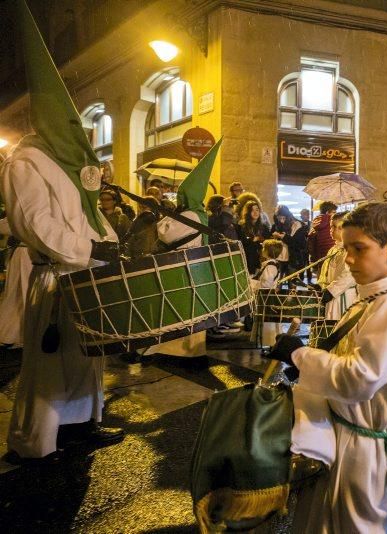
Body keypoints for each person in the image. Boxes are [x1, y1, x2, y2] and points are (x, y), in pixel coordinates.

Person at [266, 202, 387, 533]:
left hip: (362, 452)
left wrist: (300, 356)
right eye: (346, 249)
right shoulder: (376, 297)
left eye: (358, 249)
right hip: (348, 436)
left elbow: (360, 378)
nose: (348, 259)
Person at [1, 0, 125, 462]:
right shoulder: (27, 161)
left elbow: (93, 213)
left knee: (87, 360)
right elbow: (34, 223)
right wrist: (88, 247)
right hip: (56, 277)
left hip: (86, 274)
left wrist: (109, 244)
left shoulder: (73, 167)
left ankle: (79, 427)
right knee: (50, 366)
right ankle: (35, 442)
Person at [143, 141, 223, 358]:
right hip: (194, 268)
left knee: (181, 310)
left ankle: (177, 352)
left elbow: (165, 233)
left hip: (183, 268)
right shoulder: (197, 213)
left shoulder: (189, 215)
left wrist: (168, 216)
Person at [314, 211, 356, 320]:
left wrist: (331, 291)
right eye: (331, 226)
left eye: (335, 227)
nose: (331, 230)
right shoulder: (334, 249)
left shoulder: (350, 249)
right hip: (332, 295)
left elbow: (349, 275)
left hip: (342, 296)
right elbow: (326, 271)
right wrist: (320, 284)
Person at [0, 223, 32, 348]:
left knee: (17, 295)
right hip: (26, 253)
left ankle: (10, 334)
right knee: (23, 294)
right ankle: (22, 334)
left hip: (23, 252)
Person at [252, 239, 283, 352]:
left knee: (268, 323)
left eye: (263, 248)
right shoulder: (272, 264)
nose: (262, 250)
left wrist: (256, 285)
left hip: (267, 297)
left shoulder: (270, 266)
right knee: (268, 322)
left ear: (268, 251)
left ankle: (270, 344)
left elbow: (266, 283)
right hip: (268, 297)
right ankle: (269, 344)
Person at [271, 205, 308, 280]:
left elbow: (299, 244)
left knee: (292, 283)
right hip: (279, 259)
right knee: (277, 283)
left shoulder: (297, 225)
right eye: (279, 218)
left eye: (283, 218)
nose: (281, 220)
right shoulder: (276, 225)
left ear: (287, 216)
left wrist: (284, 237)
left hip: (293, 260)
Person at [237, 200, 269, 275]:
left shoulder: (264, 227)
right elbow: (241, 242)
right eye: (252, 210)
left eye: (257, 210)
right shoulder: (242, 226)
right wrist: (253, 240)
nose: (255, 212)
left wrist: (260, 239)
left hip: (261, 258)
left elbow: (267, 241)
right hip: (247, 258)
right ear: (248, 212)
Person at [307, 201, 337, 267]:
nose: (335, 214)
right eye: (334, 212)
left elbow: (310, 242)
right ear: (327, 212)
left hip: (319, 258)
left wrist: (313, 258)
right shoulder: (332, 222)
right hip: (332, 256)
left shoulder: (315, 223)